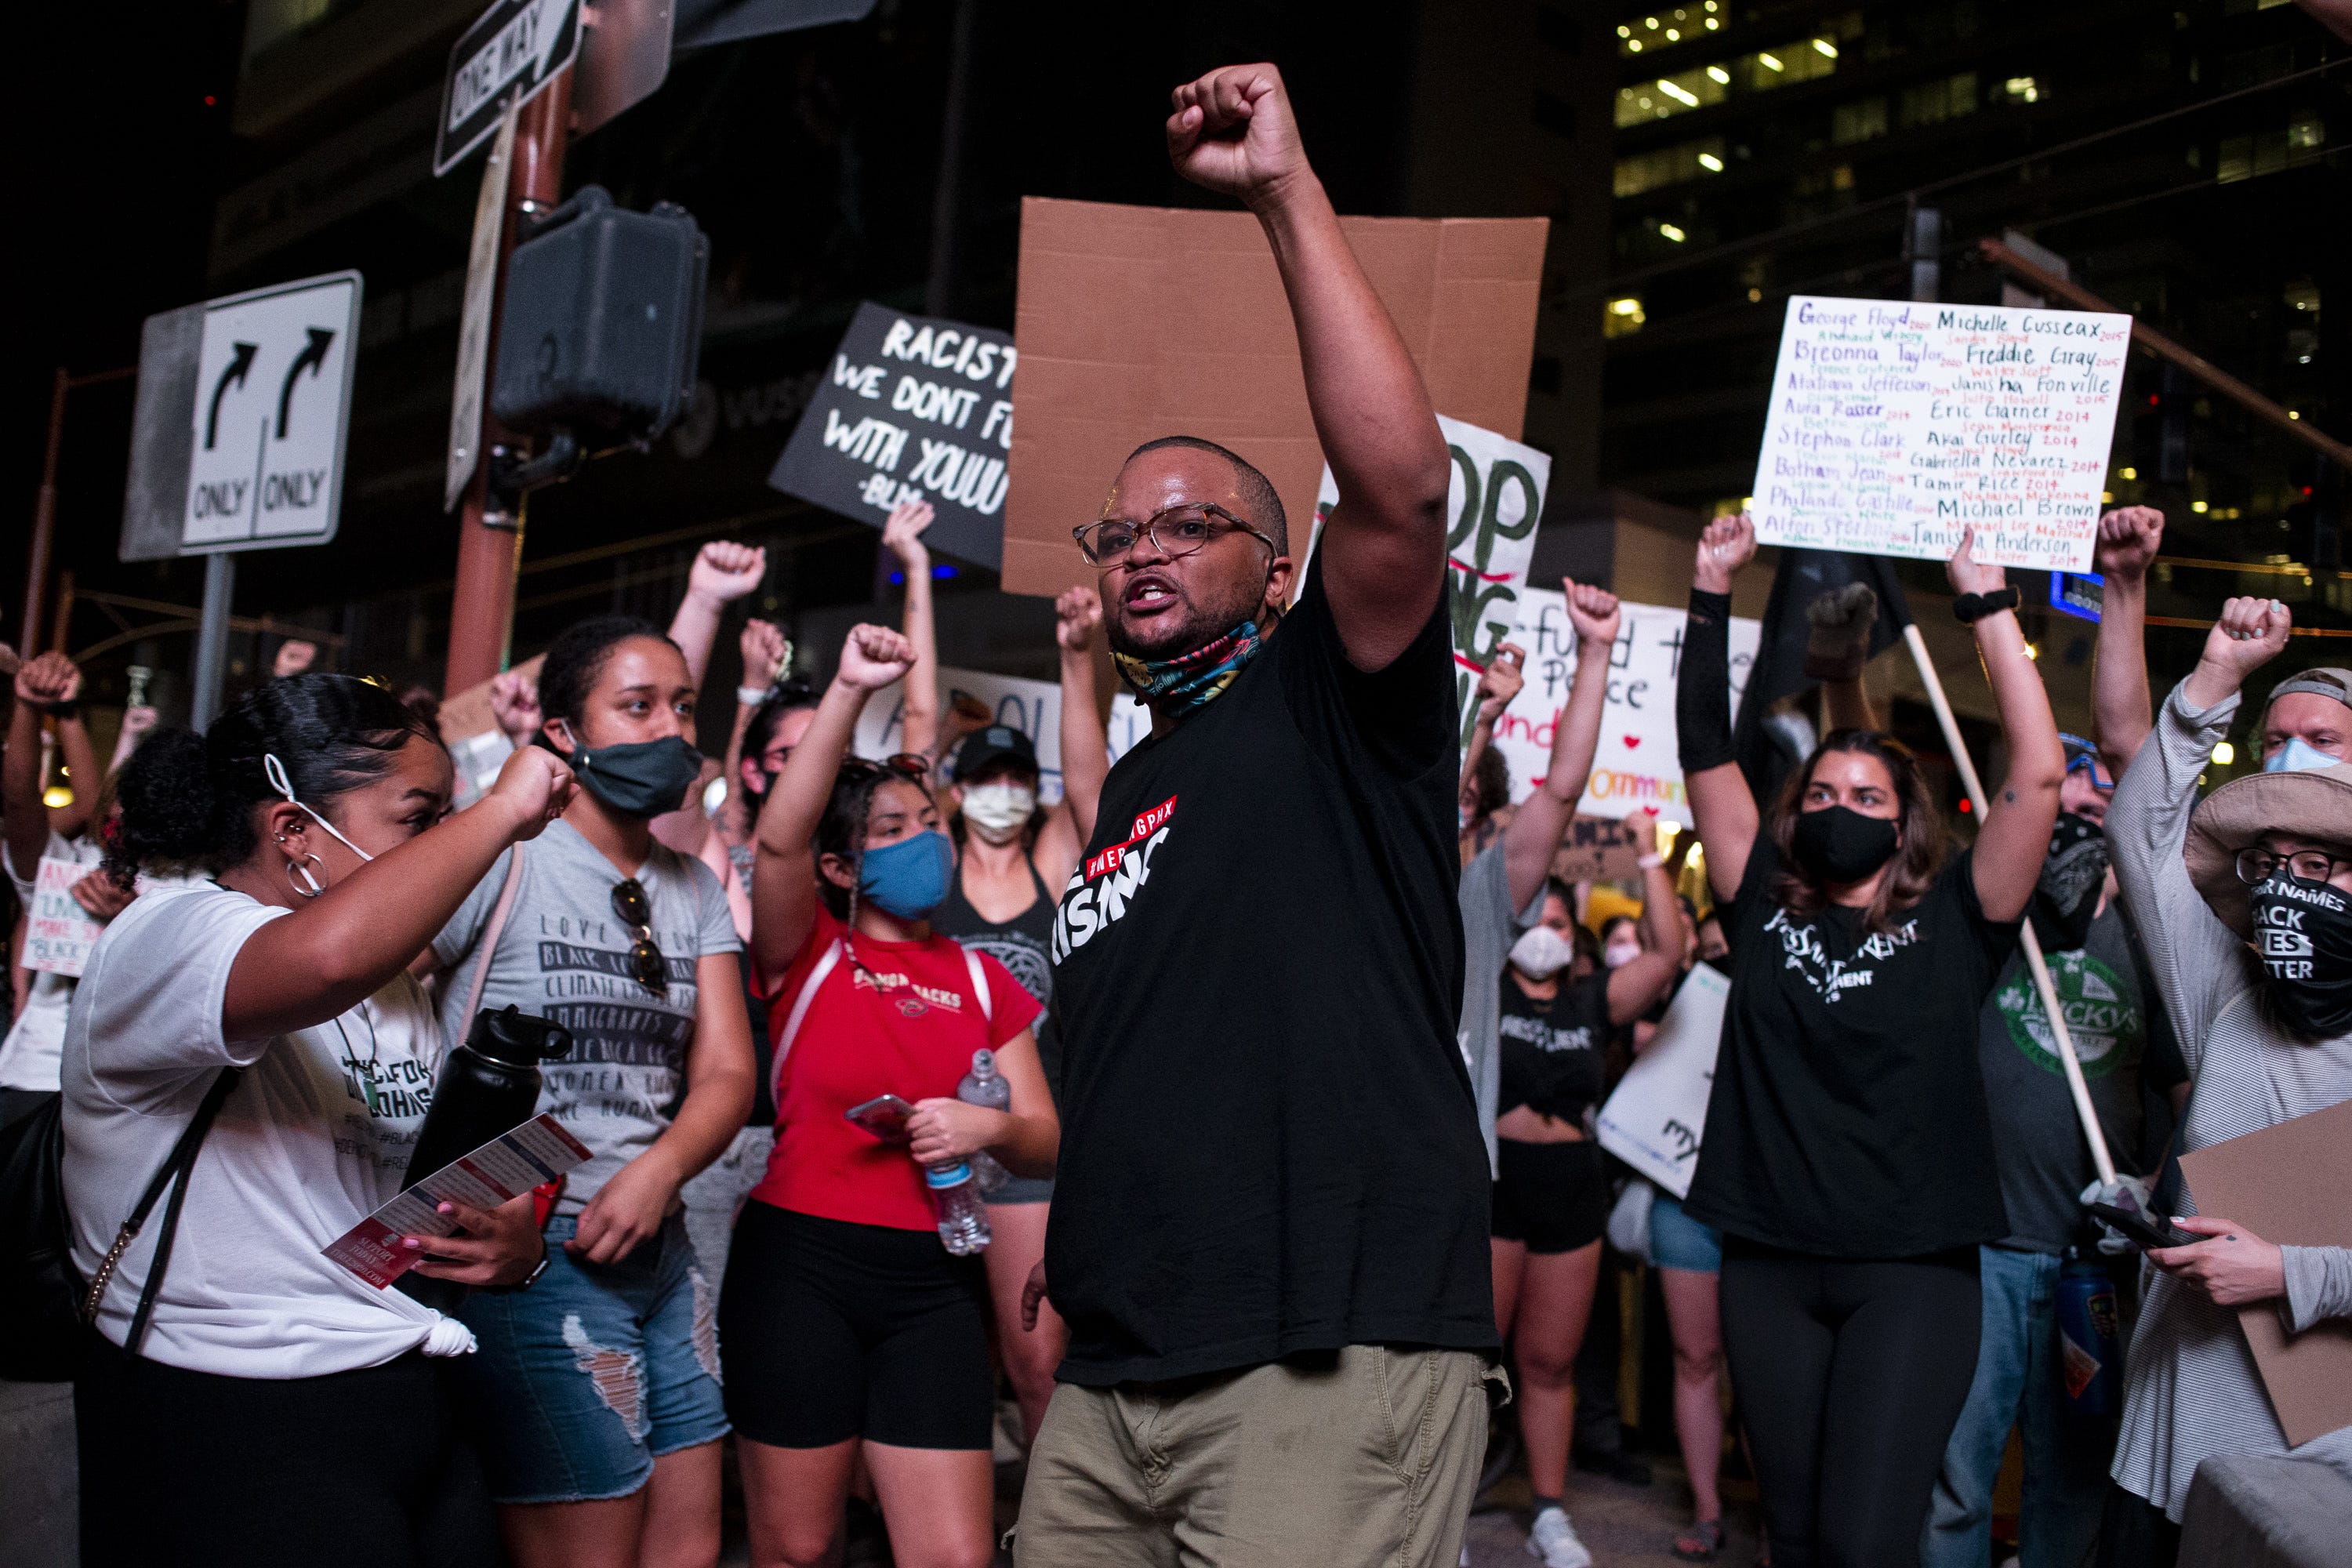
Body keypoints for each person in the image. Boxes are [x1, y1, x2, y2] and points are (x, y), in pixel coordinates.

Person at [1014, 64, 1498, 1568]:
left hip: (1325, 1357)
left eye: (1192, 523)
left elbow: (1408, 490)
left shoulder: (1339, 701)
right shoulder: (1139, 785)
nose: (1145, 545)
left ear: (1283, 572)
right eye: (1123, 530)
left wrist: (1286, 190)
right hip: (1112, 1373)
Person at [66, 674, 563, 1566]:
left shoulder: (397, 982)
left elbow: (372, 1183)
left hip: (405, 1376)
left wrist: (506, 1241)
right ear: (293, 829)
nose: (440, 847)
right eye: (419, 818)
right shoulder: (169, 934)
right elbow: (325, 958)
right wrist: (499, 811)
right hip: (235, 1404)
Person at [1675, 511, 2065, 1567]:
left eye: (1868, 795)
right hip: (1767, 1264)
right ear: (1795, 815)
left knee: (1866, 1539)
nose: (1842, 806)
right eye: (1823, 794)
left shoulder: (1961, 917)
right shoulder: (1761, 903)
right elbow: (1706, 749)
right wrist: (1713, 596)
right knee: (1795, 1534)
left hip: (1912, 1276)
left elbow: (2036, 773)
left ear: (1907, 821)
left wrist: (1984, 601)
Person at [723, 622, 1058, 1568]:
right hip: (802, 1268)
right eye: (893, 829)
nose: (927, 841)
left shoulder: (988, 979)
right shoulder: (810, 952)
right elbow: (781, 834)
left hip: (937, 1280)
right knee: (796, 1546)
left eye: (931, 822)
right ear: (841, 867)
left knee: (953, 1555)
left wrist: (988, 1124)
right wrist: (849, 689)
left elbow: (1044, 1141)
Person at [429, 614, 757, 1568]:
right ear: (563, 734)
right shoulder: (502, 852)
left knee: (686, 1549)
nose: (670, 728)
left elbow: (729, 1071)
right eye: (638, 705)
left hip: (663, 1254)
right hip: (534, 1257)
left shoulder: (691, 887)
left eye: (683, 706)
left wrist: (660, 1170)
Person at [1926, 507, 2180, 1568]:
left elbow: (2176, 1093)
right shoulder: (2000, 909)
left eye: (2105, 782)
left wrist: (2153, 1196)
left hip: (2093, 1263)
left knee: (2075, 1477)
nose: (2088, 792)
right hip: (1980, 1246)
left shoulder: (2162, 941)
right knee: (1954, 1477)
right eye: (2072, 779)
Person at [2101, 595, 2352, 1568]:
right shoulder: (2226, 984)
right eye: (2271, 864)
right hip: (2160, 1435)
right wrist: (2212, 679)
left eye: (2323, 864)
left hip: (2299, 1471)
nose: (2290, 886)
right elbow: (2141, 832)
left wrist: (2287, 1273)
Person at [1455, 579, 1676, 1565]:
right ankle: (1438, 1519)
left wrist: (1593, 655)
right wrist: (1479, 715)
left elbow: (1557, 788)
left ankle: (1547, 1507)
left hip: (1544, 1181)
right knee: (1454, 1364)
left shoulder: (1488, 904)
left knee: (1543, 1359)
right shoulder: (1373, 874)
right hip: (1444, 1171)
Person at [922, 585, 1108, 1453]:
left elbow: (1086, 787)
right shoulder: (929, 881)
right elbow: (918, 728)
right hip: (933, 1141)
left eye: (1014, 778)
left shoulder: (1049, 870)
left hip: (1030, 1144)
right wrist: (915, 568)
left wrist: (1078, 658)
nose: (1001, 791)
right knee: (947, 1359)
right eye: (983, 778)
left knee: (1040, 1363)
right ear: (954, 794)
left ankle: (1043, 1529)